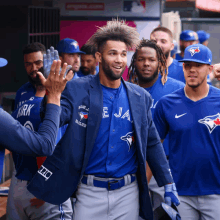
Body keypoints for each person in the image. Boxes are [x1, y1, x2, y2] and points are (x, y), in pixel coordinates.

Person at [26, 19, 179, 220]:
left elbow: (152, 141)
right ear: (99, 56)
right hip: (89, 192)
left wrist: (167, 182)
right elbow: (53, 117)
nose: (119, 60)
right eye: (112, 53)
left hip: (128, 193)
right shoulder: (76, 89)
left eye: (123, 54)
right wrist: (51, 92)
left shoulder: (140, 97)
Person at [153, 44, 220, 220]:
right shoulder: (166, 104)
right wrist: (143, 186)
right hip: (180, 192)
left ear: (209, 69)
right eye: (187, 65)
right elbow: (153, 148)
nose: (192, 70)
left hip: (216, 192)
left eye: (197, 65)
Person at [6, 45, 73, 220]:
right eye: (28, 64)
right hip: (20, 179)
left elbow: (64, 140)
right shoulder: (22, 91)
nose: (34, 68)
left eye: (38, 62)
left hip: (47, 179)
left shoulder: (62, 91)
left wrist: (46, 184)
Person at [128, 39, 185, 211]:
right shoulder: (125, 89)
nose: (146, 64)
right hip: (130, 167)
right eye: (141, 59)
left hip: (167, 169)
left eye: (151, 60)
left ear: (160, 62)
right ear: (134, 62)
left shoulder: (177, 90)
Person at [0, 58, 73, 170]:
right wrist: (54, 95)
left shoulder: (19, 108)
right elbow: (46, 146)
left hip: (20, 175)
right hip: (42, 177)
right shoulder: (49, 108)